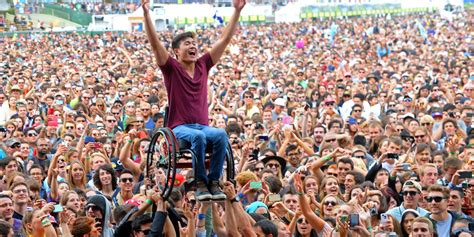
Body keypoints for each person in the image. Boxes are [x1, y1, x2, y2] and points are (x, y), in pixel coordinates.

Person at [142, 0, 246, 201]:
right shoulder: (171, 68)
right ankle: (199, 182)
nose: (193, 47)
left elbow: (224, 40)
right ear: (176, 52)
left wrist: (236, 11)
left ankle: (213, 182)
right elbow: (155, 45)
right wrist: (146, 14)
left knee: (222, 135)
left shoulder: (203, 65)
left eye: (194, 44)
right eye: (187, 44)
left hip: (202, 126)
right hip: (179, 127)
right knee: (198, 138)